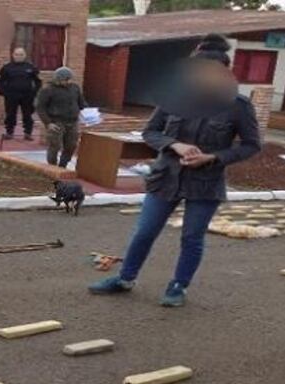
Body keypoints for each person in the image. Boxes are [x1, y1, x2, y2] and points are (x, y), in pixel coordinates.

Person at [89, 35, 261, 307]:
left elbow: (251, 145)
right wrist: (175, 145)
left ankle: (178, 286)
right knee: (144, 232)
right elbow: (150, 132)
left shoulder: (238, 106)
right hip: (166, 176)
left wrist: (213, 157)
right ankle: (124, 279)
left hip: (206, 181)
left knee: (192, 237)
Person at [36, 67, 87, 168]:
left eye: (69, 79)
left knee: (71, 145)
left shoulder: (75, 88)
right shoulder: (48, 89)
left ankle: (63, 165)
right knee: (55, 146)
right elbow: (40, 107)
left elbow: (81, 102)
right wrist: (48, 123)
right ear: (58, 79)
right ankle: (52, 167)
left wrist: (87, 110)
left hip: (72, 121)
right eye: (66, 79)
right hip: (56, 121)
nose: (68, 82)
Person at [0, 48, 41, 141]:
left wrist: (34, 92)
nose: (19, 56)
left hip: (27, 96)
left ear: (25, 56)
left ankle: (28, 133)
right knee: (10, 114)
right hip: (11, 95)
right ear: (13, 55)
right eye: (17, 54)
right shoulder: (7, 67)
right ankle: (9, 132)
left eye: (21, 54)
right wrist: (3, 92)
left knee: (28, 114)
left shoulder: (30, 67)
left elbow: (38, 81)